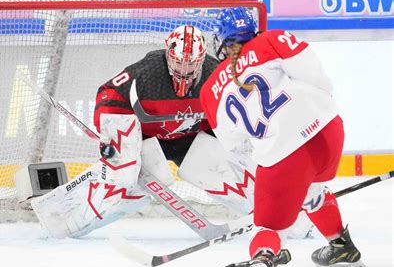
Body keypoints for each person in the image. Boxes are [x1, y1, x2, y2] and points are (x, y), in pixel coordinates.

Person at [31, 24, 262, 239]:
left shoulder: (216, 76)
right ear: (168, 54)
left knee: (223, 170)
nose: (183, 69)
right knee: (124, 178)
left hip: (190, 139)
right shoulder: (148, 71)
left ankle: (277, 218)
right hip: (147, 138)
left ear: (201, 60)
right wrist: (113, 135)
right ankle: (61, 219)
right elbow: (109, 93)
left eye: (190, 63)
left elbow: (232, 114)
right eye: (178, 61)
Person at [200, 7, 366, 267]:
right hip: (328, 132)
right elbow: (317, 78)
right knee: (311, 189)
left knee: (268, 225)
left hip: (285, 155)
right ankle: (341, 248)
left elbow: (232, 143)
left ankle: (264, 257)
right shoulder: (273, 39)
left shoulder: (209, 90)